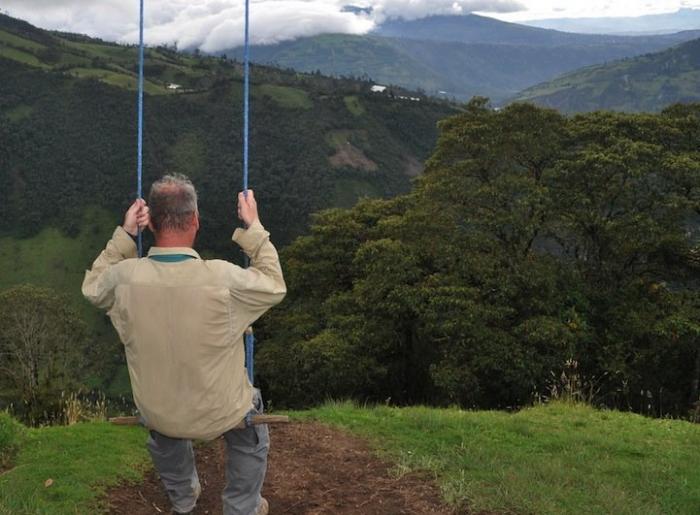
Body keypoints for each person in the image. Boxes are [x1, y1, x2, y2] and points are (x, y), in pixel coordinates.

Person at [82, 174, 286, 515]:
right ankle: (242, 506)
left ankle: (183, 498)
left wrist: (125, 235)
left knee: (163, 428)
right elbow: (274, 285)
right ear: (194, 221)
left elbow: (93, 287)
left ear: (152, 224)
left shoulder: (125, 278)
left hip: (159, 411)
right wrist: (254, 229)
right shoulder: (223, 278)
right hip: (220, 412)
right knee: (250, 428)